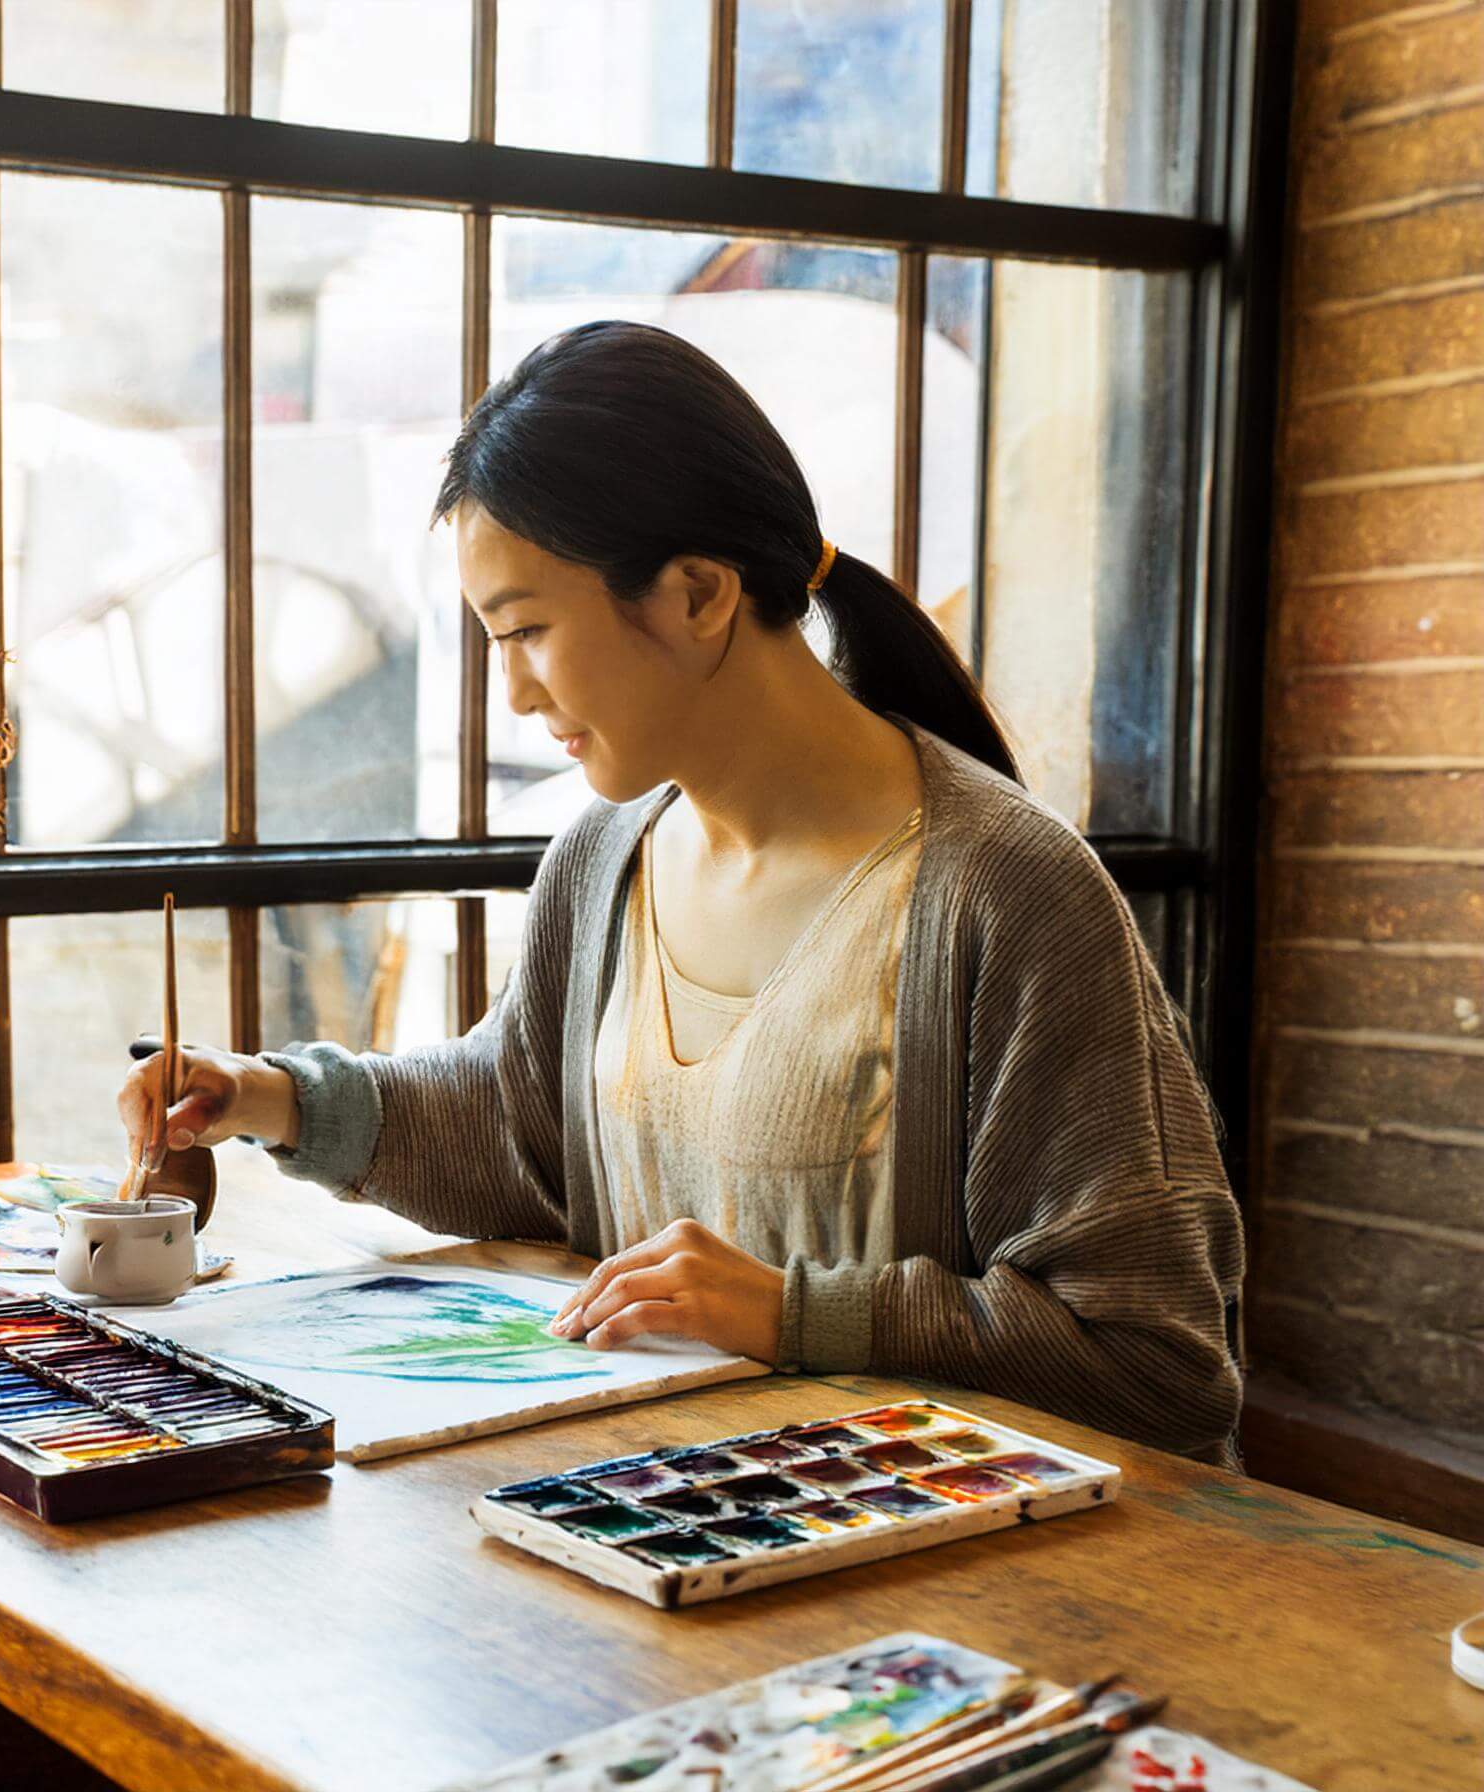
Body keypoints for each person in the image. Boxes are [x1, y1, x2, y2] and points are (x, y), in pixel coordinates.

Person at [120, 320, 1244, 1465]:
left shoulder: (1006, 894)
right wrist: (267, 1095)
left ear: (699, 593)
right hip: (650, 1528)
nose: (511, 692)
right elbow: (521, 1129)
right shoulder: (605, 859)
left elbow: (1151, 1363)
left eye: (528, 630)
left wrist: (794, 1316)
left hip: (921, 1584)